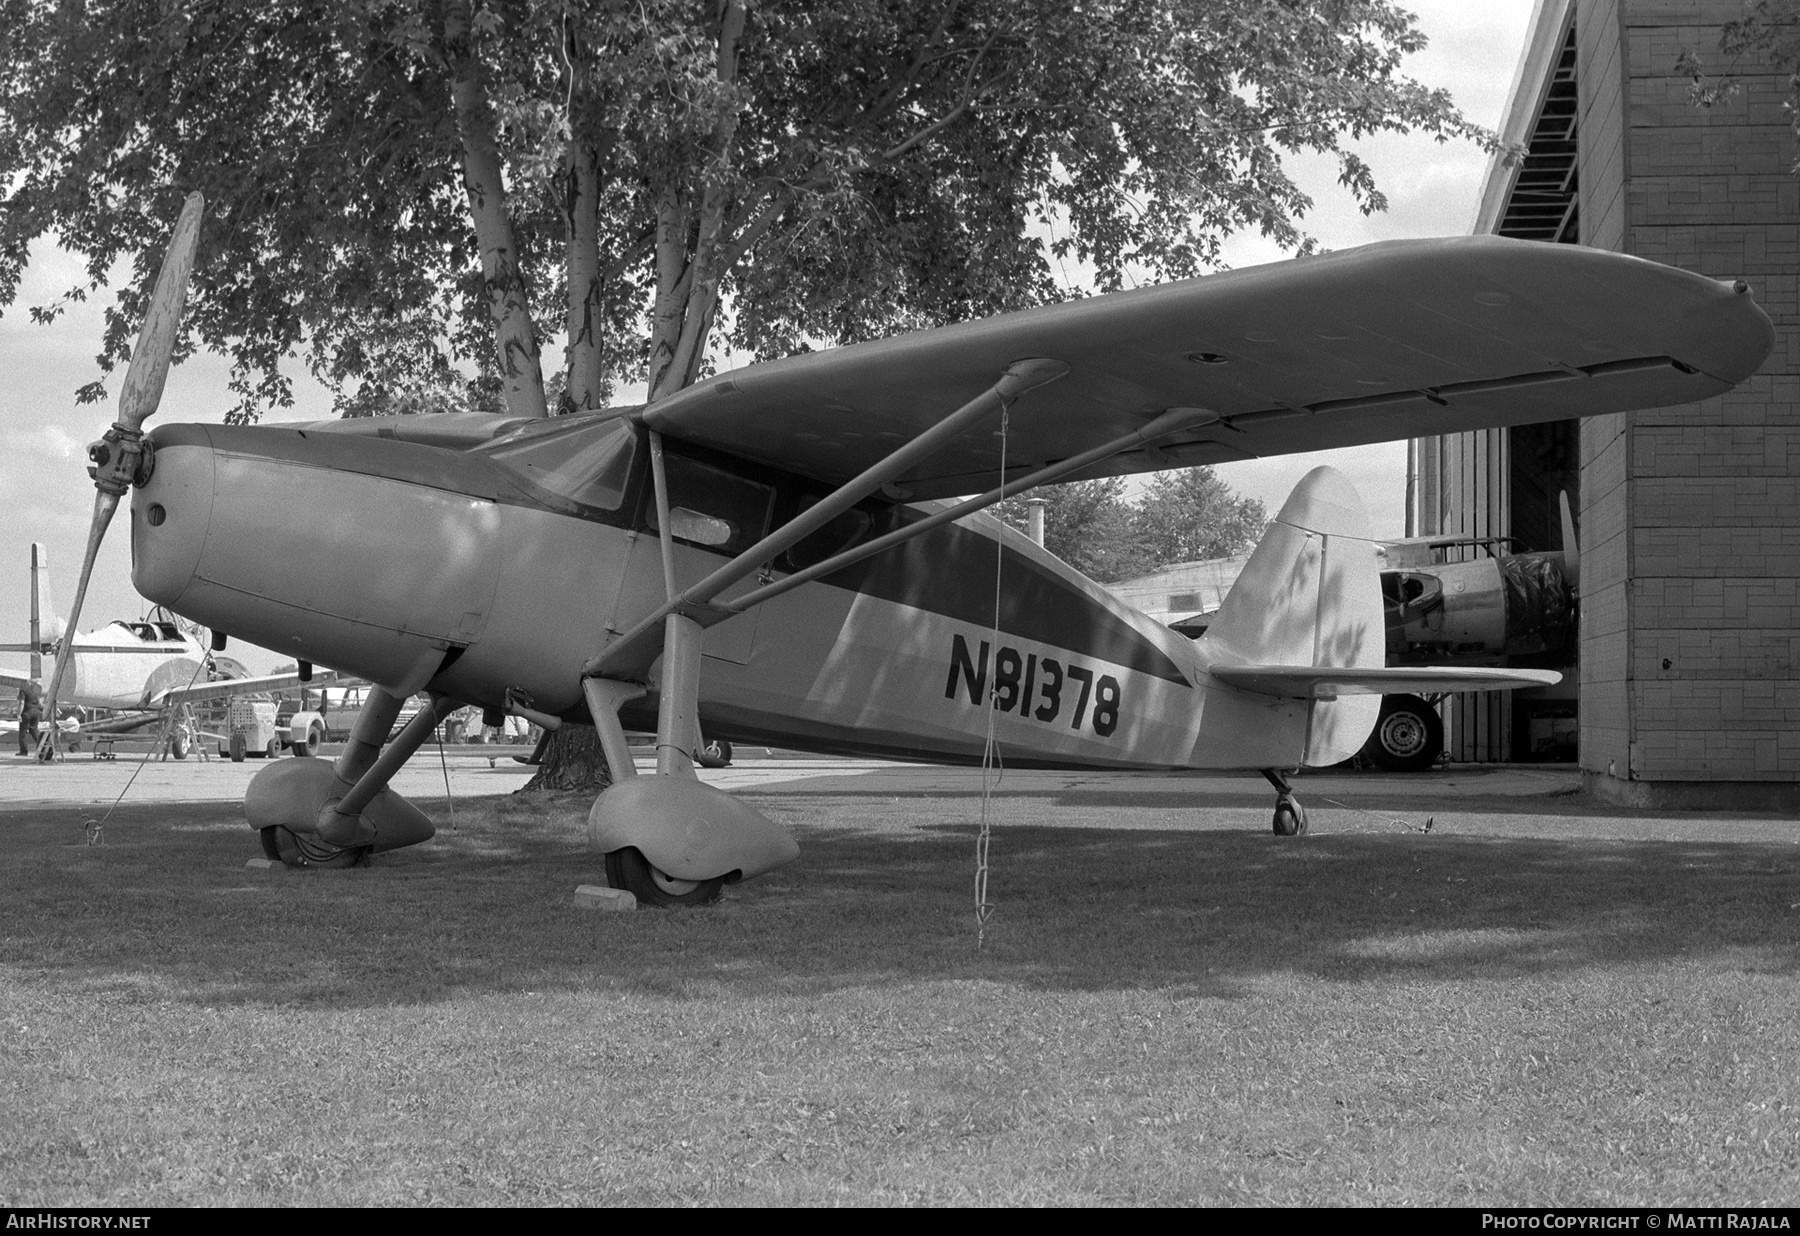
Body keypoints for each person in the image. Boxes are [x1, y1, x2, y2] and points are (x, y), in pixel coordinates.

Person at [16, 682, 43, 757]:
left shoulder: (23, 689)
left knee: (23, 732)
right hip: (37, 711)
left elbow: (21, 702)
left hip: (27, 712)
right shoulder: (36, 689)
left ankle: (23, 751)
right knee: (34, 730)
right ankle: (41, 748)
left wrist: (18, 714)